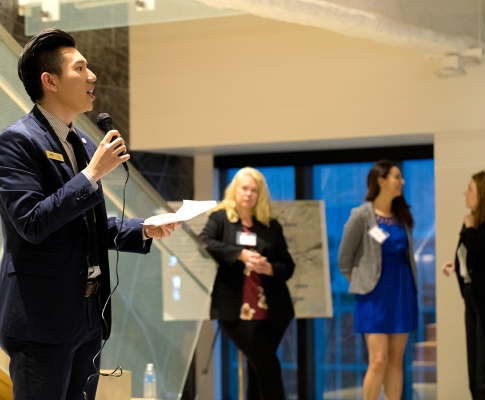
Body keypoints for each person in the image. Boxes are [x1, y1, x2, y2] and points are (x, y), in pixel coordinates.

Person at [0, 28, 179, 399]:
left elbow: (86, 226)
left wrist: (142, 228)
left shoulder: (79, 141)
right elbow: (32, 223)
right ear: (49, 81)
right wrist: (92, 174)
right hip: (42, 319)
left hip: (87, 316)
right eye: (80, 68)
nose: (92, 76)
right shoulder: (17, 141)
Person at [199, 167, 295, 400]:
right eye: (244, 188)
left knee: (258, 369)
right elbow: (205, 242)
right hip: (236, 310)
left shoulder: (270, 225)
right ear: (234, 190)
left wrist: (268, 267)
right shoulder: (220, 218)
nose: (249, 194)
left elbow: (288, 266)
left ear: (260, 194)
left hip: (272, 310)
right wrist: (239, 254)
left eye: (254, 190)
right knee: (269, 367)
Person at [338, 159, 418, 400]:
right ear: (381, 181)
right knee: (378, 360)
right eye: (396, 177)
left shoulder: (402, 216)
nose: (401, 182)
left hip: (402, 291)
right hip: (373, 295)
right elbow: (344, 259)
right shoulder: (361, 215)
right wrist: (363, 284)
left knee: (395, 359)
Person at [442, 171, 485, 400]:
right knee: (476, 363)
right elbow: (478, 256)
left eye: (470, 189)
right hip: (474, 297)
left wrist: (467, 227)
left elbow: (476, 246)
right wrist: (459, 267)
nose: (465, 193)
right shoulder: (479, 225)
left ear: (484, 194)